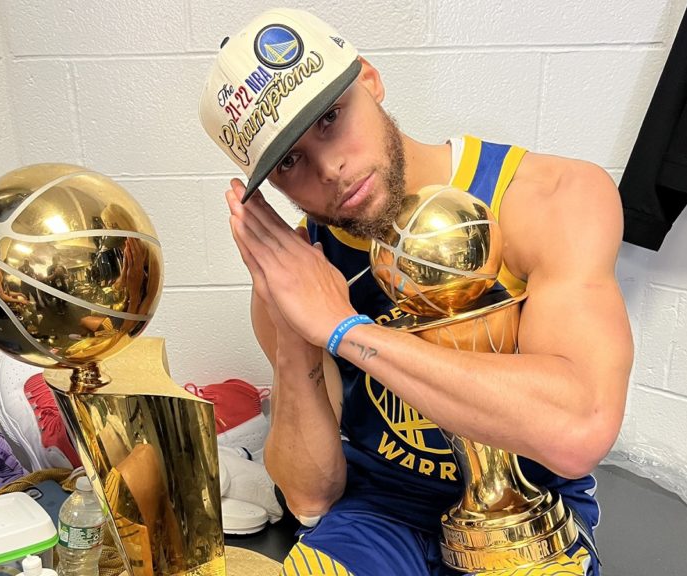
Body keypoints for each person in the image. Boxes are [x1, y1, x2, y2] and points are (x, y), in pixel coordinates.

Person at [199, 8, 633, 576]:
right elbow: (310, 498)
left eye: (330, 118)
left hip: (526, 512)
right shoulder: (301, 273)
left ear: (370, 79)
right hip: (379, 515)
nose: (330, 167)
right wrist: (292, 325)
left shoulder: (548, 198)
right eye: (290, 162)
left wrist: (346, 331)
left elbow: (580, 428)